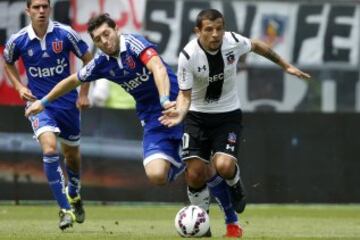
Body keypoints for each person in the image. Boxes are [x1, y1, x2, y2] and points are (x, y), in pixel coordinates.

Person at [160, 9, 311, 238]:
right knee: (195, 173)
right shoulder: (188, 56)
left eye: (219, 28)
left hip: (227, 116)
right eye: (209, 29)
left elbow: (258, 46)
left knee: (224, 166)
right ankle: (203, 226)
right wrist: (180, 114)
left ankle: (235, 183)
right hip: (197, 117)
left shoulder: (232, 41)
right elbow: (185, 96)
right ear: (197, 31)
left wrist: (285, 65)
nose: (215, 34)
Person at [24, 13, 186, 190]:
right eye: (98, 39)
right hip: (153, 117)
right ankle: (185, 160)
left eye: (106, 34)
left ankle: (195, 163)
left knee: (201, 168)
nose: (105, 41)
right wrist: (43, 102)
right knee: (156, 175)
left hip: (180, 105)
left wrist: (164, 99)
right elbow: (72, 80)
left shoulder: (134, 44)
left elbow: (158, 67)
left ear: (117, 30)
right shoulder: (101, 62)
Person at [3, 0, 92, 230]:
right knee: (50, 149)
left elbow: (89, 59)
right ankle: (64, 210)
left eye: (45, 6)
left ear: (49, 9)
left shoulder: (65, 34)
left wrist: (83, 93)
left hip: (67, 105)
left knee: (72, 155)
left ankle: (74, 193)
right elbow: (8, 63)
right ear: (28, 11)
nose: (41, 11)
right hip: (39, 106)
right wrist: (20, 88)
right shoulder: (18, 40)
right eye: (36, 7)